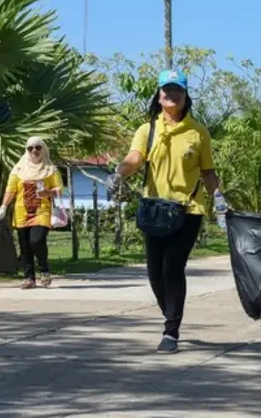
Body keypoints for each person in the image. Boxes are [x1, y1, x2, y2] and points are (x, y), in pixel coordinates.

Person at [105, 69, 225, 354]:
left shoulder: (198, 132)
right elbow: (135, 158)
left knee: (173, 267)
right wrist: (119, 173)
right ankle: (170, 310)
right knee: (154, 272)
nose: (171, 95)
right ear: (158, 96)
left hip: (188, 209)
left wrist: (219, 200)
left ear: (185, 96)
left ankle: (171, 330)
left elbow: (208, 171)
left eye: (177, 91)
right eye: (166, 90)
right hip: (155, 209)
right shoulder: (148, 130)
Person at [0, 137, 63, 289]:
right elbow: (11, 189)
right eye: (30, 148)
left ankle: (44, 270)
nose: (34, 151)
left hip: (42, 211)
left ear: (43, 149)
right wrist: (4, 206)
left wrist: (48, 192)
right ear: (26, 150)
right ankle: (29, 278)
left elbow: (59, 189)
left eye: (38, 147)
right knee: (25, 246)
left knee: (37, 240)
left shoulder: (50, 169)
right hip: (21, 212)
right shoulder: (18, 169)